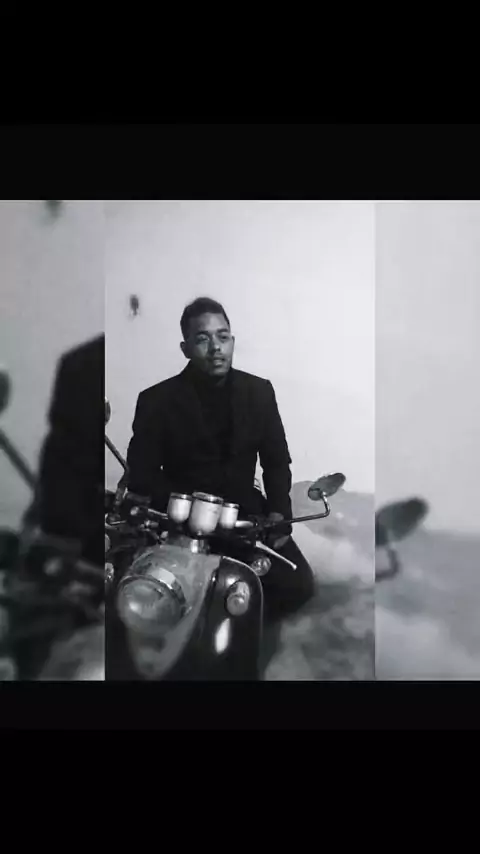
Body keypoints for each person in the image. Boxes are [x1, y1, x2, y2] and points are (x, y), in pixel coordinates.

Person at [125, 298, 315, 636]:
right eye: (203, 339)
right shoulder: (156, 400)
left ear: (232, 341)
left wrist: (278, 515)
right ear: (185, 348)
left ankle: (236, 634)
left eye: (223, 337)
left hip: (244, 521)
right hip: (179, 523)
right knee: (144, 592)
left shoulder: (259, 392)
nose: (216, 348)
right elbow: (142, 473)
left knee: (298, 585)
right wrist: (182, 511)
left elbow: (276, 461)